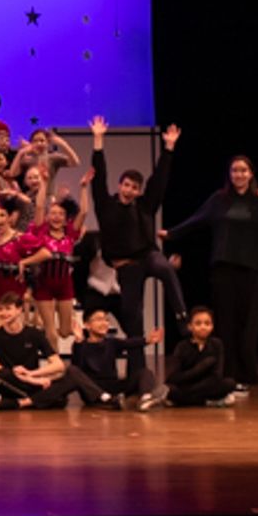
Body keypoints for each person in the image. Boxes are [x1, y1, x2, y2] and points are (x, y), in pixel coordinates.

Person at [161, 155, 258, 391]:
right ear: (229, 174)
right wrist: (171, 234)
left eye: (243, 171)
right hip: (223, 268)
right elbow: (196, 220)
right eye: (234, 171)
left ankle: (247, 372)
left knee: (248, 323)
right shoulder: (219, 200)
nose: (239, 175)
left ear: (251, 174)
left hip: (251, 269)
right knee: (225, 323)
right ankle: (228, 373)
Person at [90, 116, 188, 366]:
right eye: (126, 185)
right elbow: (99, 178)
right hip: (126, 266)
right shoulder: (105, 205)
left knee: (165, 268)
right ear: (120, 185)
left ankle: (181, 316)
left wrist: (169, 148)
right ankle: (137, 370)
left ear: (138, 191)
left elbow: (160, 180)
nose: (129, 190)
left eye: (134, 187)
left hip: (147, 256)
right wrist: (98, 141)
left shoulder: (144, 206)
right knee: (132, 317)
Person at [0, 293, 112, 410]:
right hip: (10, 384)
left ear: (19, 310)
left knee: (72, 373)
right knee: (2, 376)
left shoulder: (35, 334)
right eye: (0, 309)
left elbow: (59, 365)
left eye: (8, 309)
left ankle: (23, 402)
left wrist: (32, 373)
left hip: (32, 383)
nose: (3, 313)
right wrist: (32, 380)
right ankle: (34, 401)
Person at [30, 172, 92, 349]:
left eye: (60, 214)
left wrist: (83, 188)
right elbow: (40, 206)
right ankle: (55, 366)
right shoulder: (41, 231)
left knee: (64, 331)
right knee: (50, 330)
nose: (56, 217)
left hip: (65, 284)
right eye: (53, 214)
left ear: (66, 219)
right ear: (48, 217)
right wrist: (43, 184)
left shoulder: (71, 235)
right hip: (44, 284)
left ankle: (51, 338)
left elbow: (84, 212)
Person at [70, 310, 167, 410]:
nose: (104, 323)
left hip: (114, 387)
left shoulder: (111, 342)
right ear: (87, 325)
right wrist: (78, 341)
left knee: (145, 372)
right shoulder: (81, 345)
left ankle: (145, 399)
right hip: (94, 390)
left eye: (106, 320)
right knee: (72, 370)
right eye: (99, 319)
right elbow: (77, 369)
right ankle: (107, 399)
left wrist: (148, 340)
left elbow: (129, 343)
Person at [0, 203, 49, 333]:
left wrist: (24, 262)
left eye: (2, 215)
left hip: (14, 284)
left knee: (11, 329)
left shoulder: (20, 237)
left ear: (10, 218)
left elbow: (46, 253)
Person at [166, 307, 237, 407]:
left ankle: (185, 401)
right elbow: (173, 378)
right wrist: (200, 368)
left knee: (229, 383)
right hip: (187, 384)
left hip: (207, 385)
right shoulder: (182, 346)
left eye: (207, 323)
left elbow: (217, 376)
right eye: (198, 324)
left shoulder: (217, 344)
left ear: (212, 326)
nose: (203, 327)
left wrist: (191, 391)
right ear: (190, 326)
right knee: (171, 390)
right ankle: (208, 402)